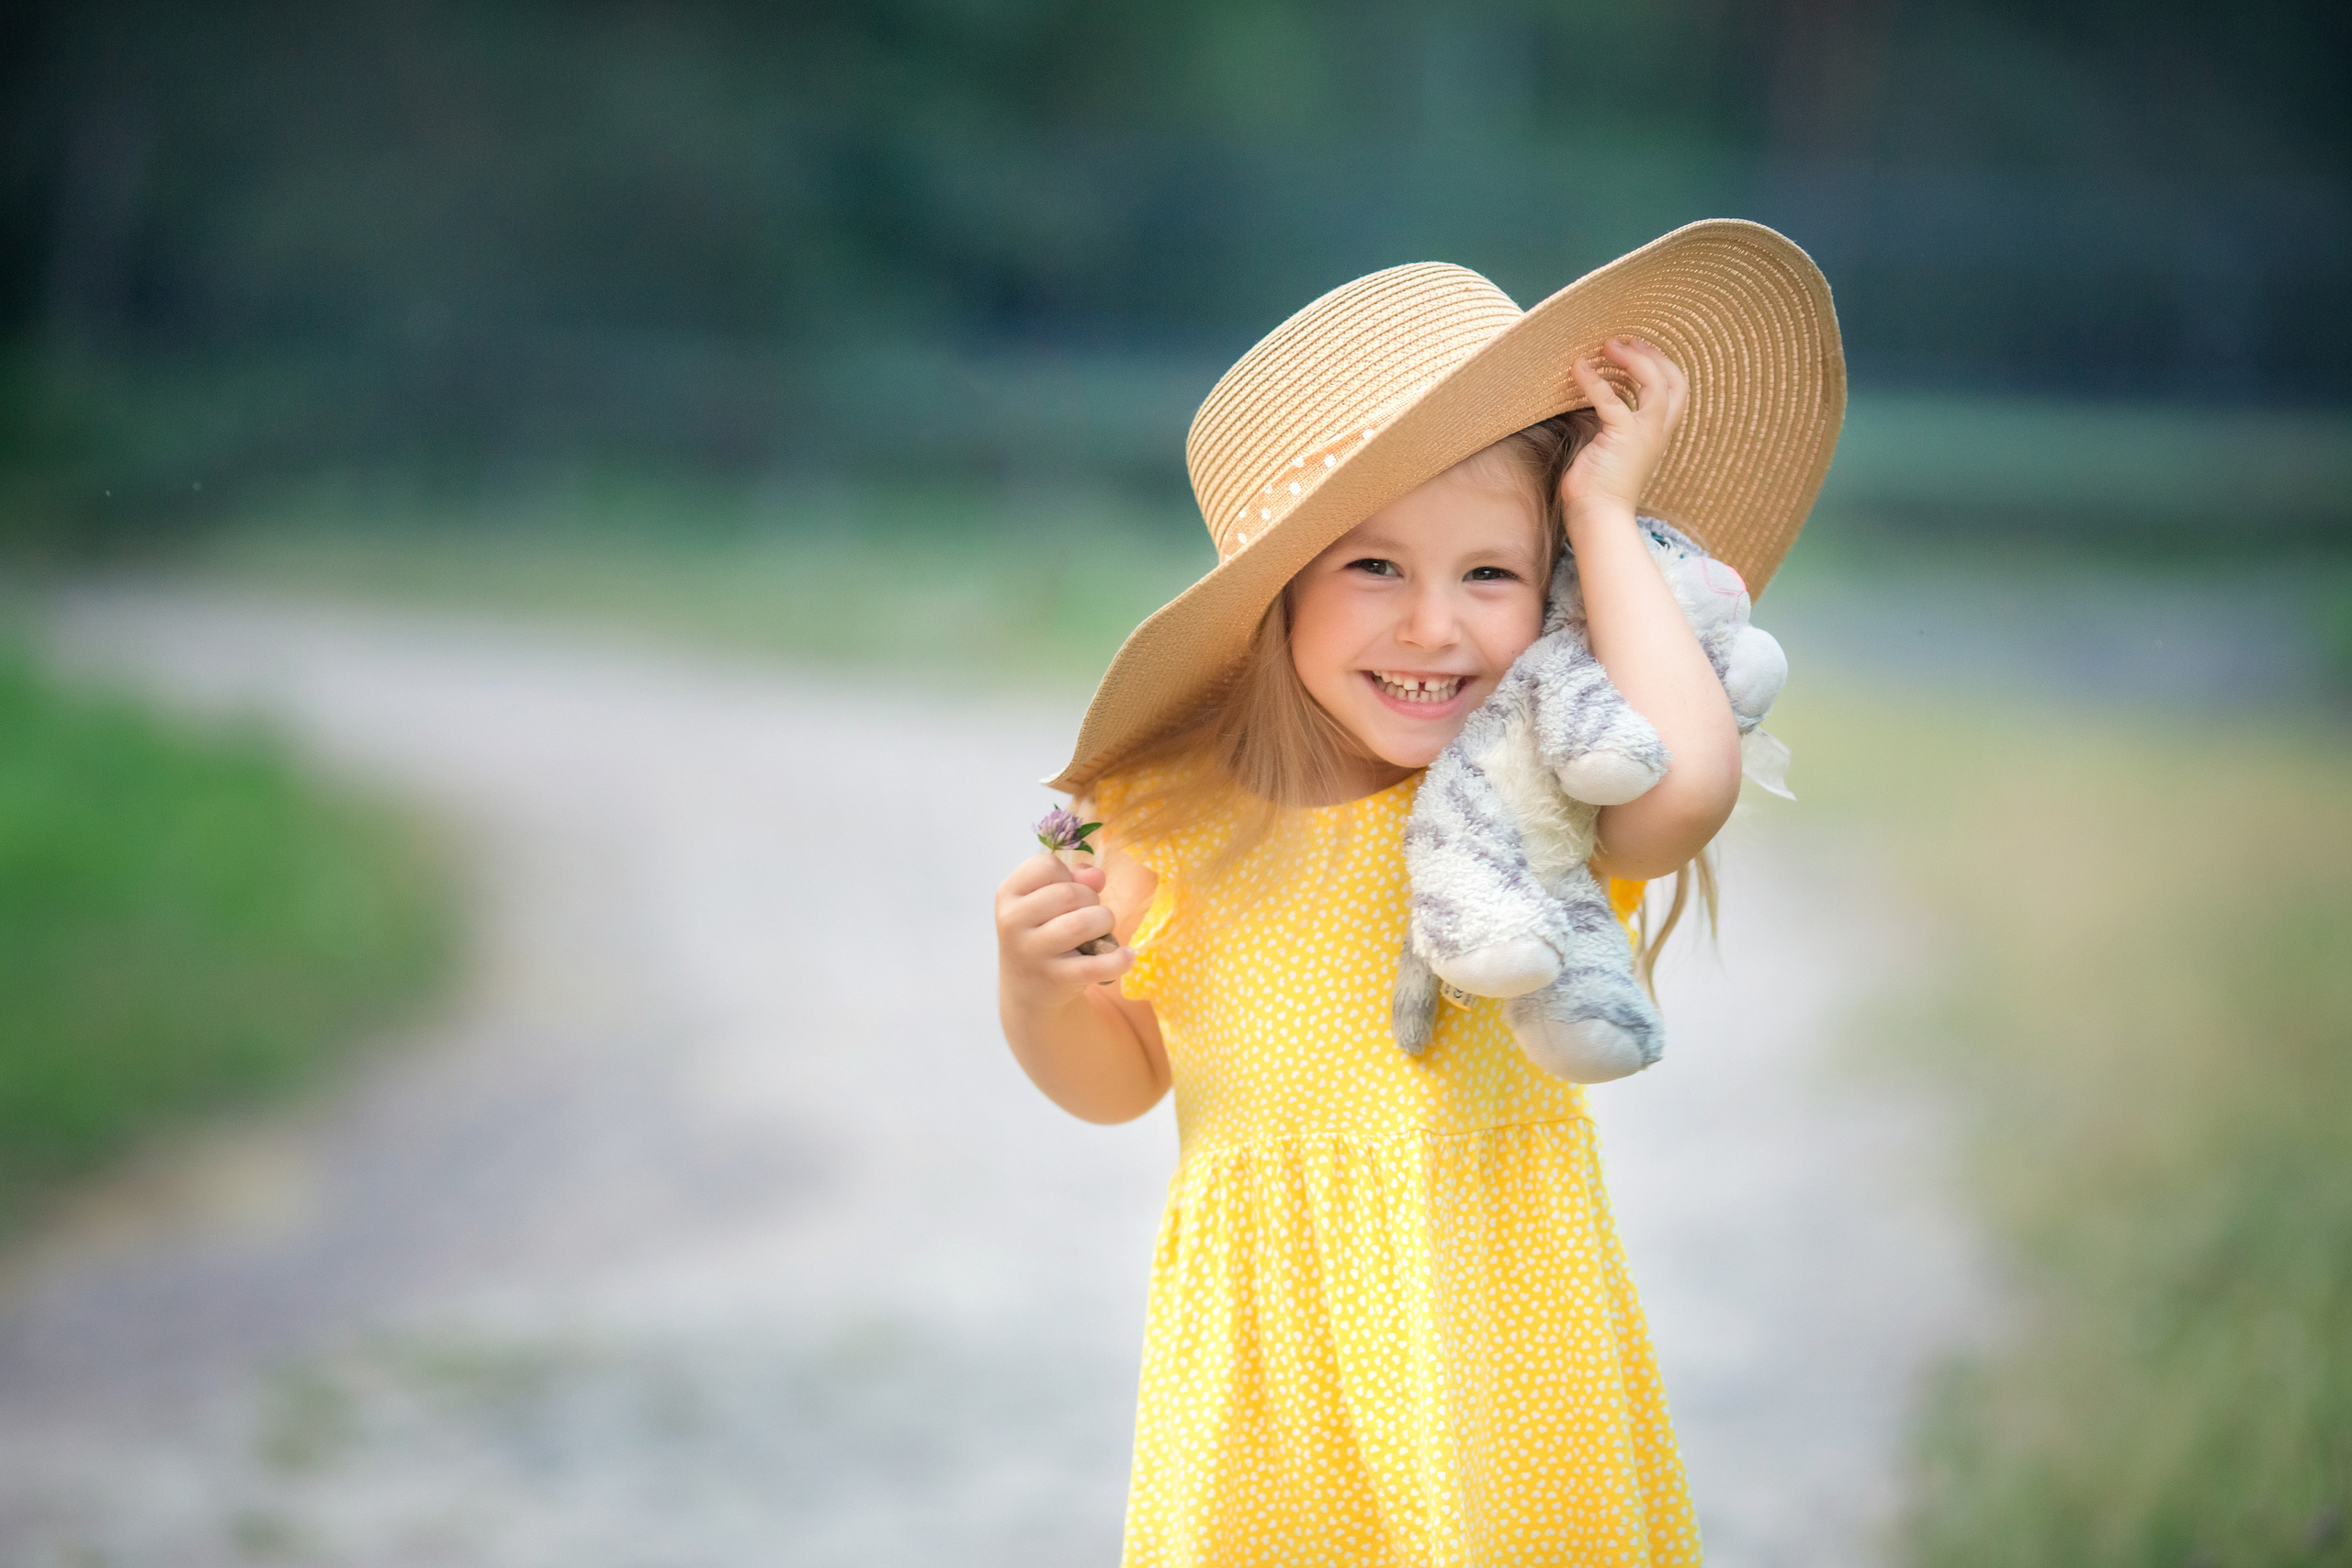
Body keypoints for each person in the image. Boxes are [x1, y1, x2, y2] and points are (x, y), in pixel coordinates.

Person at [994, 221, 1843, 1566]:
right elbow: (1124, 1081)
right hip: (1270, 1383)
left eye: (1490, 572)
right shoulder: (1175, 812)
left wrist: (1600, 513)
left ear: (1552, 590)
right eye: (1374, 567)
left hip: (1501, 1351)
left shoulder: (1534, 801)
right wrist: (1039, 994)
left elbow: (1688, 786)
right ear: (1277, 596)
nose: (1434, 626)